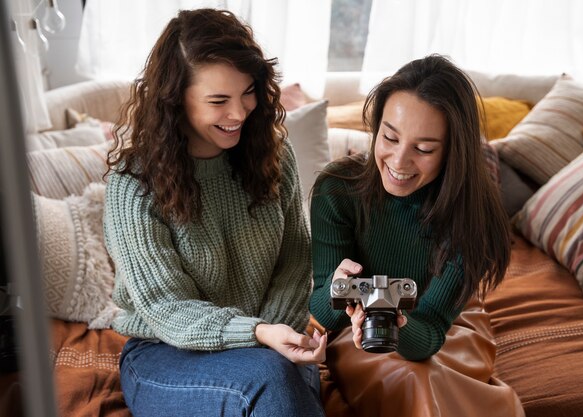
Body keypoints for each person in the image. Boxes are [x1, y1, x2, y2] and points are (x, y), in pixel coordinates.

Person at [103, 8, 326, 417]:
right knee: (273, 380)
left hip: (271, 350)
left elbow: (295, 262)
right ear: (175, 99)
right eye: (218, 100)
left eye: (247, 92)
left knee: (275, 378)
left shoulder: (276, 158)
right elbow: (165, 305)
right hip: (164, 354)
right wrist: (259, 334)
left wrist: (273, 338)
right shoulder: (133, 185)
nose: (239, 113)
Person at [309, 54, 511, 361]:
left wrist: (397, 322)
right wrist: (338, 290)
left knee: (417, 381)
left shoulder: (472, 217)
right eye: (390, 137)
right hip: (357, 331)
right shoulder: (337, 188)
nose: (399, 162)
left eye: (423, 149)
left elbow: (430, 331)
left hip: (442, 327)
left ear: (453, 152)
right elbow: (324, 314)